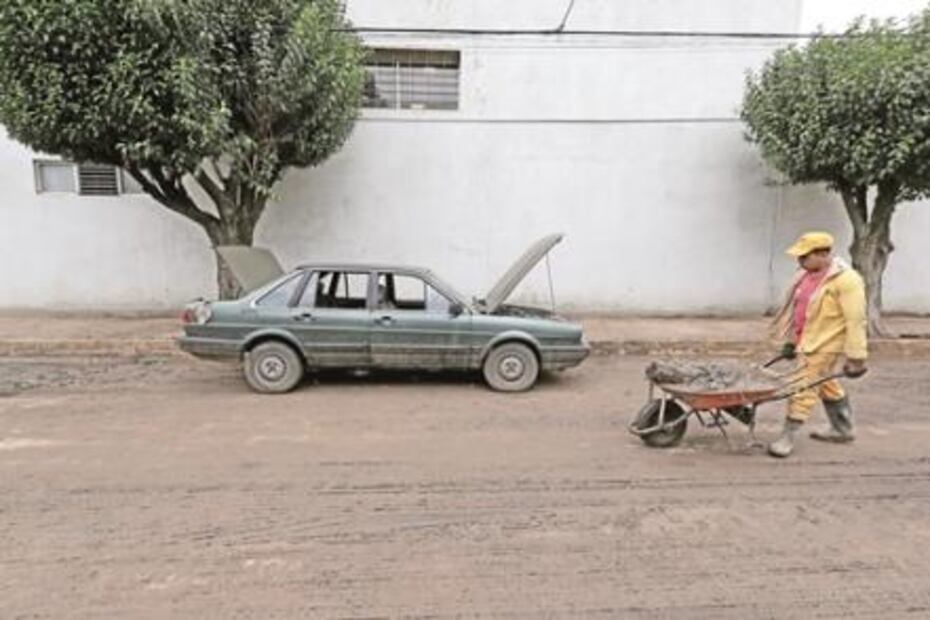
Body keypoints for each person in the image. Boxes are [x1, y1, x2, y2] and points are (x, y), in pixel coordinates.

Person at [768, 231, 868, 458]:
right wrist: (792, 342)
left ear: (823, 254)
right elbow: (800, 313)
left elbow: (856, 320)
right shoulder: (805, 276)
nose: (800, 261)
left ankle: (787, 437)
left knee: (802, 388)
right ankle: (842, 428)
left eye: (804, 256)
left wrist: (857, 357)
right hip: (807, 341)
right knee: (825, 384)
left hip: (825, 344)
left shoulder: (847, 281)